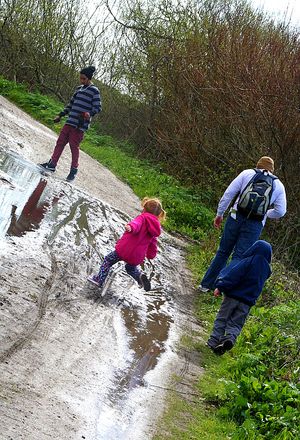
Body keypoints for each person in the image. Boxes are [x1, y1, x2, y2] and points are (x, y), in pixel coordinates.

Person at [199, 156, 286, 292]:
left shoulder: (247, 173)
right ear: (272, 170)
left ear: (258, 165)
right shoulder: (278, 185)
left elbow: (228, 194)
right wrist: (266, 214)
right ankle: (222, 286)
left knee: (223, 252)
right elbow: (281, 211)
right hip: (255, 224)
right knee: (239, 256)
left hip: (235, 216)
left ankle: (206, 285)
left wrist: (220, 214)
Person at [207, 240, 272, 355]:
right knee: (236, 324)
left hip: (232, 297)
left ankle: (213, 341)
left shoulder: (248, 261)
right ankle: (229, 339)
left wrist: (220, 287)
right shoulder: (266, 270)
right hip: (246, 303)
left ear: (254, 248)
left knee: (222, 318)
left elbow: (233, 276)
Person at [88, 197, 166, 291]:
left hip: (124, 250)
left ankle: (99, 279)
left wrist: (131, 227)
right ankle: (139, 277)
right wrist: (151, 255)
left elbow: (136, 224)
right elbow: (153, 244)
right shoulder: (155, 228)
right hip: (137, 256)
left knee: (108, 261)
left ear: (144, 209)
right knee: (130, 268)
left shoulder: (143, 217)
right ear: (158, 214)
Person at [39, 66, 101, 181]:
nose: (81, 80)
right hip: (69, 122)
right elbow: (71, 105)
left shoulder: (94, 91)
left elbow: (98, 107)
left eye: (83, 79)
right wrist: (60, 115)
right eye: (80, 78)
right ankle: (52, 164)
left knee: (74, 147)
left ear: (88, 78)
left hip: (80, 125)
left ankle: (73, 171)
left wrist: (89, 113)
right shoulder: (78, 89)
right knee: (60, 143)